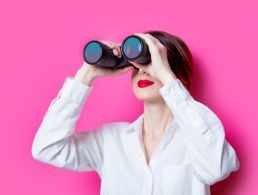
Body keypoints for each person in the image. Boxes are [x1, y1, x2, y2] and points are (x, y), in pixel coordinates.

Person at [31, 30, 239, 195]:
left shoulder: (197, 141)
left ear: (178, 77)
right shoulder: (110, 141)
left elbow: (216, 169)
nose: (144, 71)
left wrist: (166, 76)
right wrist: (86, 74)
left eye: (151, 63)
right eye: (137, 65)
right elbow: (47, 149)